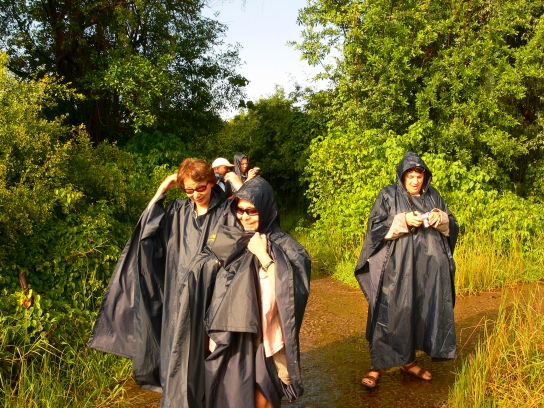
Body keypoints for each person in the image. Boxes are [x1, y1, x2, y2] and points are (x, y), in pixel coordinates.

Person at [88, 158, 236, 408]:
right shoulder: (178, 211)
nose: (196, 194)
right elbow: (147, 230)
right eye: (189, 190)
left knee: (205, 361)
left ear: (211, 182)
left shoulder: (225, 212)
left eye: (201, 188)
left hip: (209, 300)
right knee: (176, 358)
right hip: (176, 299)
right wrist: (163, 188)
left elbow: (234, 248)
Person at [201, 177, 311, 408]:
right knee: (235, 398)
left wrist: (263, 256)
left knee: (264, 401)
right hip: (235, 340)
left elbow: (292, 292)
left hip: (268, 341)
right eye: (240, 210)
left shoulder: (286, 246)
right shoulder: (232, 240)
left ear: (266, 209)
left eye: (252, 211)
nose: (244, 217)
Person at [354, 152, 459, 389]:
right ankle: (377, 366)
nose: (415, 181)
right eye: (410, 176)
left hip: (427, 271)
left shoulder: (433, 195)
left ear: (425, 177)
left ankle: (409, 362)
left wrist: (440, 218)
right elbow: (374, 229)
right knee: (390, 313)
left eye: (419, 176)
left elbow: (453, 225)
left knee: (418, 311)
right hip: (396, 269)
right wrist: (402, 221)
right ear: (402, 176)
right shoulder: (388, 195)